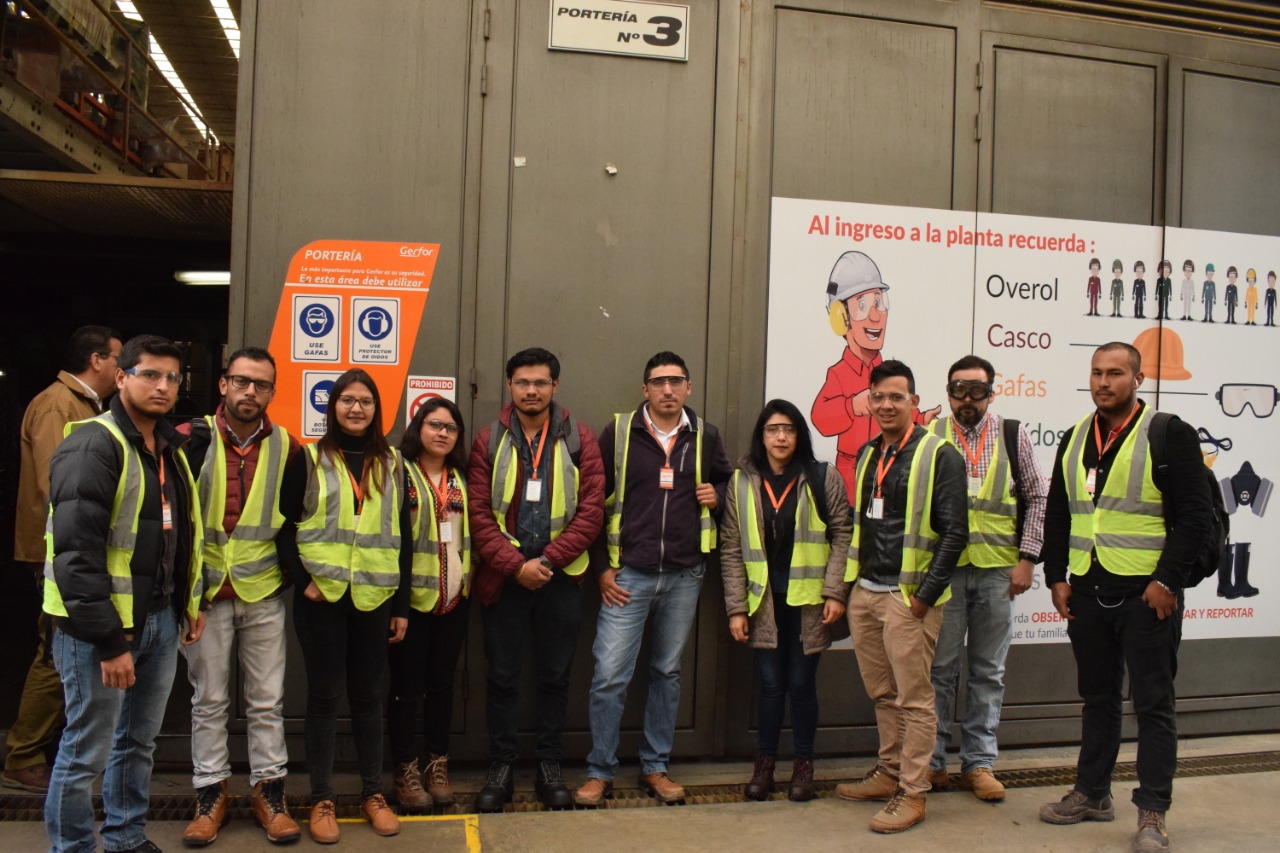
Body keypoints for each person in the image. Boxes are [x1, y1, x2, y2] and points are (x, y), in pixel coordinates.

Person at [1039, 342, 1211, 853]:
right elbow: (1058, 513)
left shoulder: (1168, 433)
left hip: (1146, 596)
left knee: (1154, 705)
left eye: (1115, 373)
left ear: (1136, 378)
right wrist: (1056, 575)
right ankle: (1092, 793)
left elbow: (1195, 518)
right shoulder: (1073, 438)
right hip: (1087, 590)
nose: (1103, 382)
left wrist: (1168, 581)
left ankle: (1153, 812)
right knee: (1098, 699)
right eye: (1096, 372)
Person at [43, 334, 206, 853]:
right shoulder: (94, 443)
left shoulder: (168, 448)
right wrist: (111, 642)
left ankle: (126, 838)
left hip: (157, 619)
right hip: (100, 629)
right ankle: (72, 848)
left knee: (137, 743)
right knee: (85, 750)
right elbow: (76, 556)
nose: (162, 386)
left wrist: (187, 603)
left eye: (172, 378)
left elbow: (178, 536)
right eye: (149, 374)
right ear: (120, 378)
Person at [574, 352, 733, 807]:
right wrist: (602, 568)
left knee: (667, 672)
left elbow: (728, 483)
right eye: (658, 382)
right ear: (645, 389)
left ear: (689, 387)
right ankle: (599, 771)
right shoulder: (620, 432)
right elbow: (591, 503)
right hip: (628, 577)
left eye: (675, 381)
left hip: (685, 575)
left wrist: (717, 494)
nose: (667, 389)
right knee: (609, 675)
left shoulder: (705, 435)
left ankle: (655, 768)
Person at [467, 348, 605, 812]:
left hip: (561, 579)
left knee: (555, 676)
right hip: (504, 580)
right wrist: (514, 566)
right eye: (523, 382)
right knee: (502, 677)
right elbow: (478, 515)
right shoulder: (488, 440)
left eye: (540, 383)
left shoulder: (579, 438)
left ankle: (549, 766)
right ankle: (501, 768)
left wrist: (546, 561)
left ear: (555, 387)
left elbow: (591, 511)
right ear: (509, 384)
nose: (531, 391)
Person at [277, 368, 410, 843]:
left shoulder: (393, 462)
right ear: (332, 406)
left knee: (370, 698)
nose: (357, 408)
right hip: (323, 599)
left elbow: (403, 536)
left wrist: (401, 607)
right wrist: (303, 580)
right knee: (324, 698)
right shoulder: (309, 458)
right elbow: (284, 528)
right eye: (347, 400)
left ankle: (374, 793)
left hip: (374, 597)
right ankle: (323, 799)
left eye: (366, 401)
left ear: (378, 409)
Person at [834, 359, 967, 834]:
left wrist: (924, 597)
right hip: (868, 592)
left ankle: (912, 792)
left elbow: (955, 533)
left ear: (914, 402)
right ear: (869, 402)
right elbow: (863, 524)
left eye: (897, 397)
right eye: (879, 397)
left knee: (915, 698)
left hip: (908, 596)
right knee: (882, 693)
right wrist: (852, 589)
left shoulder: (940, 455)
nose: (887, 404)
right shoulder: (870, 453)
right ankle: (889, 772)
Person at [176, 347, 302, 846]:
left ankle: (269, 794)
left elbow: (296, 520)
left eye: (262, 385)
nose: (251, 392)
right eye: (242, 382)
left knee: (267, 700)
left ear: (273, 392)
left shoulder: (289, 447)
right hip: (203, 594)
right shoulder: (188, 438)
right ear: (223, 385)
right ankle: (210, 795)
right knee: (208, 700)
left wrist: (291, 574)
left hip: (263, 589)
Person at [5, 326, 121, 795]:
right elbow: (64, 484)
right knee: (55, 653)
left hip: (70, 551)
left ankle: (48, 747)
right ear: (96, 360)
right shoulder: (59, 405)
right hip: (59, 553)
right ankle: (24, 753)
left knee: (66, 652)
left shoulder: (84, 405)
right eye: (118, 359)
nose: (122, 369)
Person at [927, 356, 1047, 802]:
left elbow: (1037, 497)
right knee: (939, 670)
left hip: (999, 571)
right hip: (945, 573)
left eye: (977, 391)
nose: (967, 400)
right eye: (959, 390)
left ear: (991, 392)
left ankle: (979, 764)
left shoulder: (1013, 435)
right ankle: (932, 762)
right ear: (948, 391)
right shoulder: (932, 435)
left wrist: (1028, 559)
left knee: (988, 672)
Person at [720, 399, 851, 802]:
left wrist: (835, 592)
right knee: (772, 685)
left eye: (789, 429)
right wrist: (736, 607)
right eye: (773, 429)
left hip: (809, 600)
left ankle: (804, 767)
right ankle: (764, 766)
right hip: (764, 602)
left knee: (801, 683)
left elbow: (843, 535)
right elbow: (730, 546)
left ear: (800, 435)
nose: (781, 437)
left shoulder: (820, 476)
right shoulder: (742, 481)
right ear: (762, 435)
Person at [388, 398, 472, 812]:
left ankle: (437, 766)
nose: (442, 432)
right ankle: (405, 771)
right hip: (410, 603)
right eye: (434, 424)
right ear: (419, 427)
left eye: (451, 427)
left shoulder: (462, 477)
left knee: (441, 687)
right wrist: (397, 603)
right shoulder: (398, 472)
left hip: (454, 600)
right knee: (405, 690)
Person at [811, 251, 939, 498]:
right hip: (850, 479)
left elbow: (902, 414)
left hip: (892, 471)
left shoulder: (889, 374)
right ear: (841, 317)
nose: (875, 315)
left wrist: (922, 420)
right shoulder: (838, 374)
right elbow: (820, 418)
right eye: (862, 305)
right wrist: (851, 406)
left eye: (879, 303)